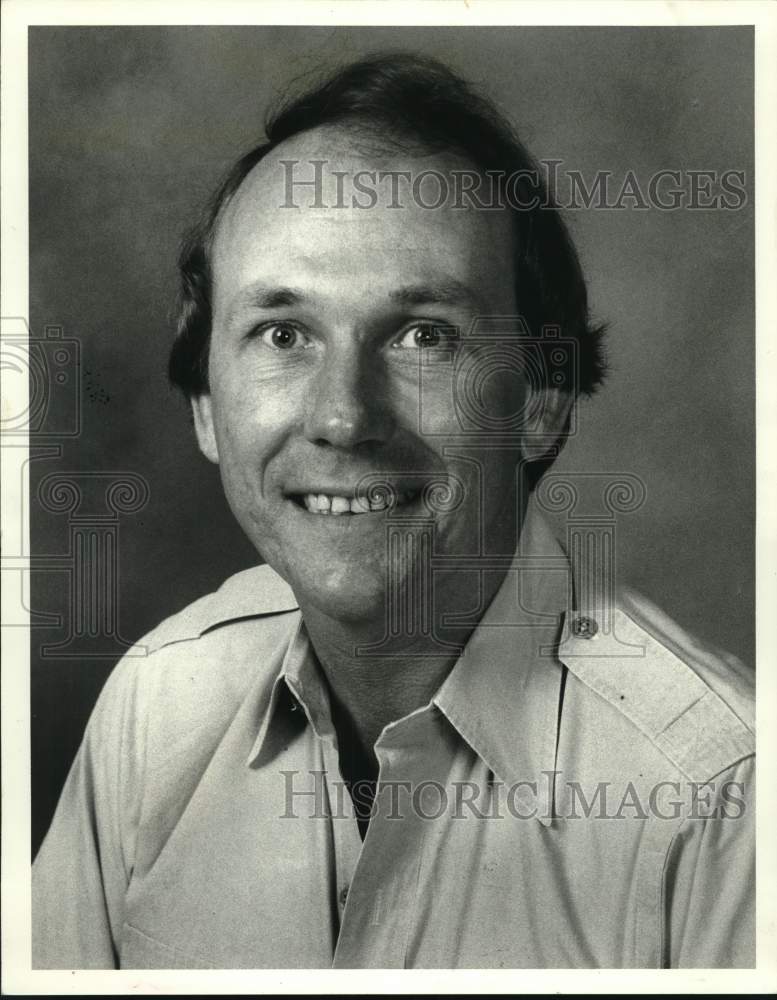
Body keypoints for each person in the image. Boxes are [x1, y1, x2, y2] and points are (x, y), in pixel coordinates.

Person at [32, 53, 754, 969]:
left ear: (540, 398)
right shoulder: (157, 704)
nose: (343, 416)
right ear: (206, 406)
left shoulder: (722, 807)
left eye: (423, 336)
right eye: (282, 334)